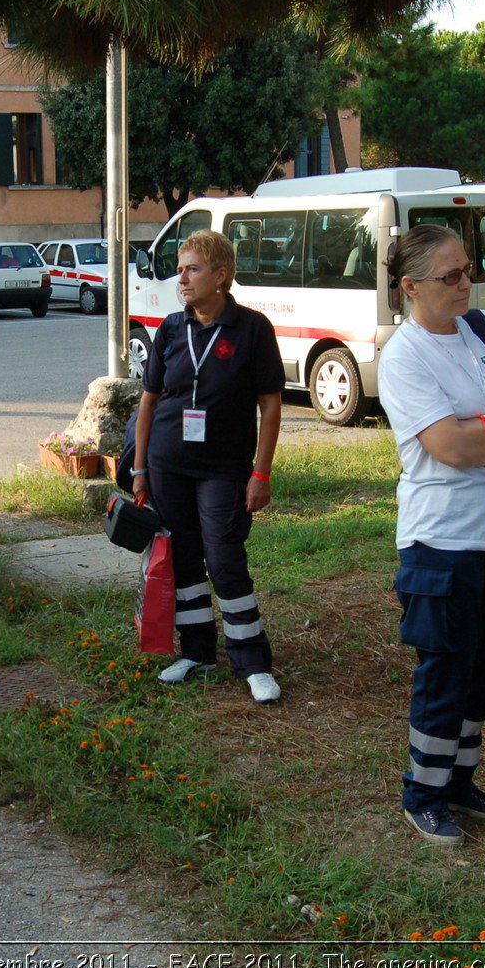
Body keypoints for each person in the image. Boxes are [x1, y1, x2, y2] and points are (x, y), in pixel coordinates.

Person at [376, 223, 485, 846]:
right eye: (451, 276)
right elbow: (448, 447)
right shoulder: (404, 356)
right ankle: (423, 790)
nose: (466, 283)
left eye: (468, 270)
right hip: (442, 538)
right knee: (446, 668)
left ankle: (459, 778)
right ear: (411, 286)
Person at [131, 229, 283, 704]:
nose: (183, 278)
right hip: (167, 464)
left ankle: (253, 661)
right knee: (184, 559)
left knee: (223, 558)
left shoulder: (251, 329)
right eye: (180, 269)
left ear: (221, 275)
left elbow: (271, 406)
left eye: (192, 268)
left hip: (224, 467)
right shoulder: (173, 328)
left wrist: (261, 473)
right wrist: (138, 470)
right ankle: (197, 652)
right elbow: (149, 403)